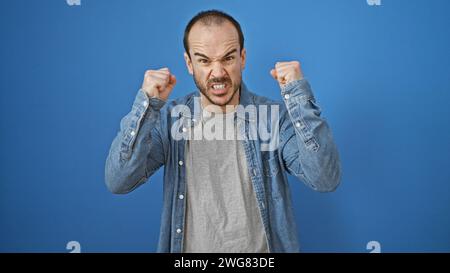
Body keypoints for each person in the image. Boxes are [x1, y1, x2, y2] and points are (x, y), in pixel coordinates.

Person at [105, 9, 341, 253]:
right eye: (204, 61)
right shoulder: (170, 120)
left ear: (243, 57)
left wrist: (298, 95)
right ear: (189, 63)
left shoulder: (273, 118)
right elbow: (119, 181)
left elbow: (324, 179)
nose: (217, 73)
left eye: (228, 58)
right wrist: (146, 105)